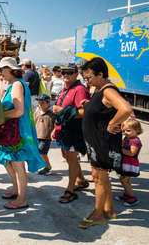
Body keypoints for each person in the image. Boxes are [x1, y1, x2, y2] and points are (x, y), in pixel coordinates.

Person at [79, 57, 132, 228]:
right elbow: (102, 109)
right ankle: (109, 210)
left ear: (100, 74)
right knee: (100, 175)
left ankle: (98, 214)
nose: (87, 81)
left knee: (98, 177)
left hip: (103, 143)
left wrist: (112, 123)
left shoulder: (108, 90)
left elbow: (125, 109)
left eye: (89, 78)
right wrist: (89, 104)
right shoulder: (100, 89)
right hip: (97, 142)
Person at [0, 57, 46, 209]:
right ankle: (16, 190)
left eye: (1, 69)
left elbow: (18, 111)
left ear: (10, 69)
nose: (0, 73)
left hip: (17, 132)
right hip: (13, 130)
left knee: (18, 165)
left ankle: (22, 199)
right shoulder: (14, 84)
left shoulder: (17, 84)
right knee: (10, 161)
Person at [52, 63, 90, 204]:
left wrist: (61, 111)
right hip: (64, 131)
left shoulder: (80, 89)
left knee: (72, 159)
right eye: (63, 73)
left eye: (70, 72)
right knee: (67, 156)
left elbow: (84, 112)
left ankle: (70, 190)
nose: (66, 75)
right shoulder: (65, 89)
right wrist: (55, 129)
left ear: (76, 74)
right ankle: (80, 180)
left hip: (74, 131)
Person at [117, 119, 143, 207]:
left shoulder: (135, 141)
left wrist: (120, 150)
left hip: (131, 164)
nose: (125, 133)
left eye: (128, 130)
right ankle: (127, 194)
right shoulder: (127, 138)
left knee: (125, 180)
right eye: (124, 130)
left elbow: (132, 153)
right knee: (123, 179)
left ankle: (132, 198)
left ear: (137, 130)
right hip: (126, 163)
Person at [34, 94, 55, 175]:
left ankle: (48, 166)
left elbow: (56, 124)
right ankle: (44, 165)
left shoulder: (52, 114)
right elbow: (33, 123)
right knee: (39, 152)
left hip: (46, 137)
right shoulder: (37, 112)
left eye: (42, 103)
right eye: (39, 103)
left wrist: (54, 132)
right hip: (37, 136)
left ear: (48, 103)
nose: (40, 105)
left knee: (42, 152)